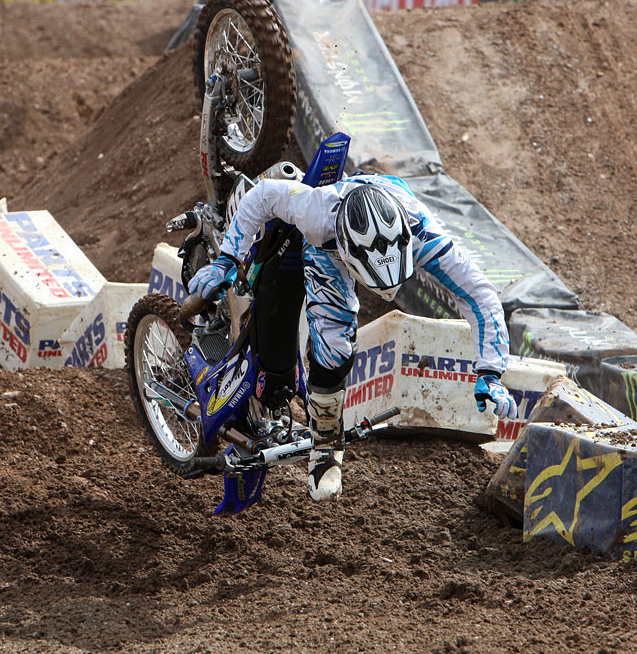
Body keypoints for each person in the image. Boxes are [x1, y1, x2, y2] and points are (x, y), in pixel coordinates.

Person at [188, 173, 518, 502]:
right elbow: (263, 195)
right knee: (335, 348)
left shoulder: (423, 233)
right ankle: (326, 446)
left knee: (333, 342)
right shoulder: (317, 215)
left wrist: (491, 371)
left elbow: (481, 296)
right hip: (328, 249)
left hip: (384, 200)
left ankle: (323, 437)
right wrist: (227, 259)